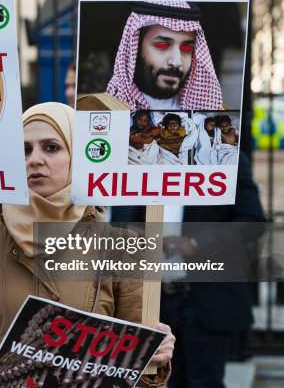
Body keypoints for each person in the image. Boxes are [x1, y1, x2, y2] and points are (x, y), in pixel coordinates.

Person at [0, 102, 174, 387]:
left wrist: (154, 356)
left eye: (51, 147)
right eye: (24, 150)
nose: (34, 159)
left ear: (78, 155)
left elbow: (138, 366)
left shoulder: (125, 247)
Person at [111, 151, 265, 388]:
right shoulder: (147, 159)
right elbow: (129, 217)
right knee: (168, 379)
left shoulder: (226, 159)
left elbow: (252, 221)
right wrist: (134, 232)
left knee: (204, 381)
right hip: (158, 297)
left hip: (205, 297)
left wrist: (196, 244)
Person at [80, 1, 223, 111]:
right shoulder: (96, 109)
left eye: (186, 48)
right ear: (135, 49)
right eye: (162, 46)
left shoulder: (217, 113)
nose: (176, 61)